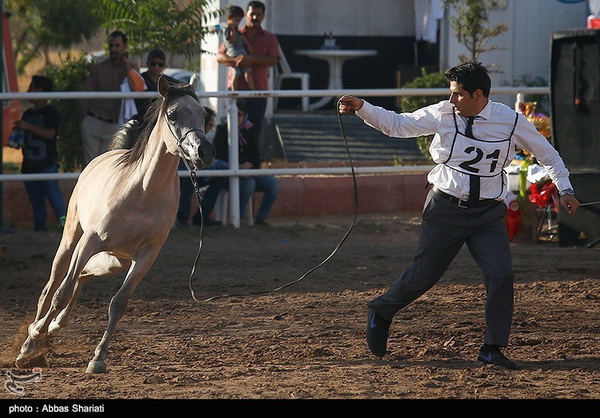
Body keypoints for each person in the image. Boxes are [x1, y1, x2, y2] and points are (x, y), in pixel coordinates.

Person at [338, 61, 580, 370]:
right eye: (451, 94)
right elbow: (398, 125)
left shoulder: (511, 121)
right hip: (445, 209)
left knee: (500, 274)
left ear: (478, 95)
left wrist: (566, 189)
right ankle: (382, 310)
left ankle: (492, 348)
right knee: (424, 275)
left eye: (458, 94)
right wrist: (362, 107)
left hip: (489, 214)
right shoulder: (442, 113)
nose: (452, 100)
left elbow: (547, 154)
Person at [195, 99, 279, 226]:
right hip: (229, 173)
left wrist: (250, 168)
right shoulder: (223, 129)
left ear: (244, 116)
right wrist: (238, 167)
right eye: (233, 114)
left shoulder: (249, 130)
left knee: (273, 184)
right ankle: (237, 219)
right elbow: (218, 156)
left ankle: (261, 218)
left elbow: (256, 154)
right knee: (249, 184)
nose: (235, 117)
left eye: (239, 114)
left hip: (248, 171)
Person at [79, 31, 145, 165]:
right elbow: (85, 95)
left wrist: (127, 67)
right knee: (91, 166)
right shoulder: (98, 68)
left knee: (109, 166)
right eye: (111, 46)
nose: (114, 49)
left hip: (115, 125)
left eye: (117, 46)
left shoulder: (131, 68)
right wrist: (85, 118)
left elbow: (139, 88)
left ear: (124, 46)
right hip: (94, 120)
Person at [216, 1, 279, 138]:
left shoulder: (270, 38)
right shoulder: (234, 32)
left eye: (258, 14)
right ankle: (234, 160)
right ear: (246, 15)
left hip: (259, 92)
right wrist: (236, 61)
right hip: (236, 91)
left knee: (254, 131)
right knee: (234, 130)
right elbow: (220, 57)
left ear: (263, 16)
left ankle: (253, 160)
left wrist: (251, 59)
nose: (255, 17)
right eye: (252, 14)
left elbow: (274, 60)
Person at [14, 75, 67, 231]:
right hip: (29, 164)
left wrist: (28, 126)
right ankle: (40, 231)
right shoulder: (28, 113)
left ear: (40, 90)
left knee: (53, 195)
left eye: (31, 88)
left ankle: (64, 225)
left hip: (46, 163)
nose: (28, 91)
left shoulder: (51, 112)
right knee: (36, 200)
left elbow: (50, 134)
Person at [177, 106, 227, 227]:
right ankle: (183, 217)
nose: (211, 128)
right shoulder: (186, 134)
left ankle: (202, 216)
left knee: (223, 170)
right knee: (190, 174)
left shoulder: (204, 137)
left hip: (197, 169)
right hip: (182, 173)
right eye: (210, 124)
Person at [135, 48, 180, 123]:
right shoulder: (141, 79)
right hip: (142, 120)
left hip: (162, 120)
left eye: (160, 64)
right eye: (153, 63)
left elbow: (181, 86)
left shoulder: (168, 80)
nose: (156, 67)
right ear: (147, 63)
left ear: (164, 66)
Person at [222, 5, 256, 91]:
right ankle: (234, 90)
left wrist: (248, 45)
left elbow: (241, 38)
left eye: (239, 21)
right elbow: (232, 41)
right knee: (236, 74)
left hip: (241, 51)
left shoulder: (236, 29)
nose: (237, 23)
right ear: (229, 18)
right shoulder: (228, 30)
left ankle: (252, 89)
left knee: (247, 72)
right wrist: (232, 30)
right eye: (236, 20)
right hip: (234, 52)